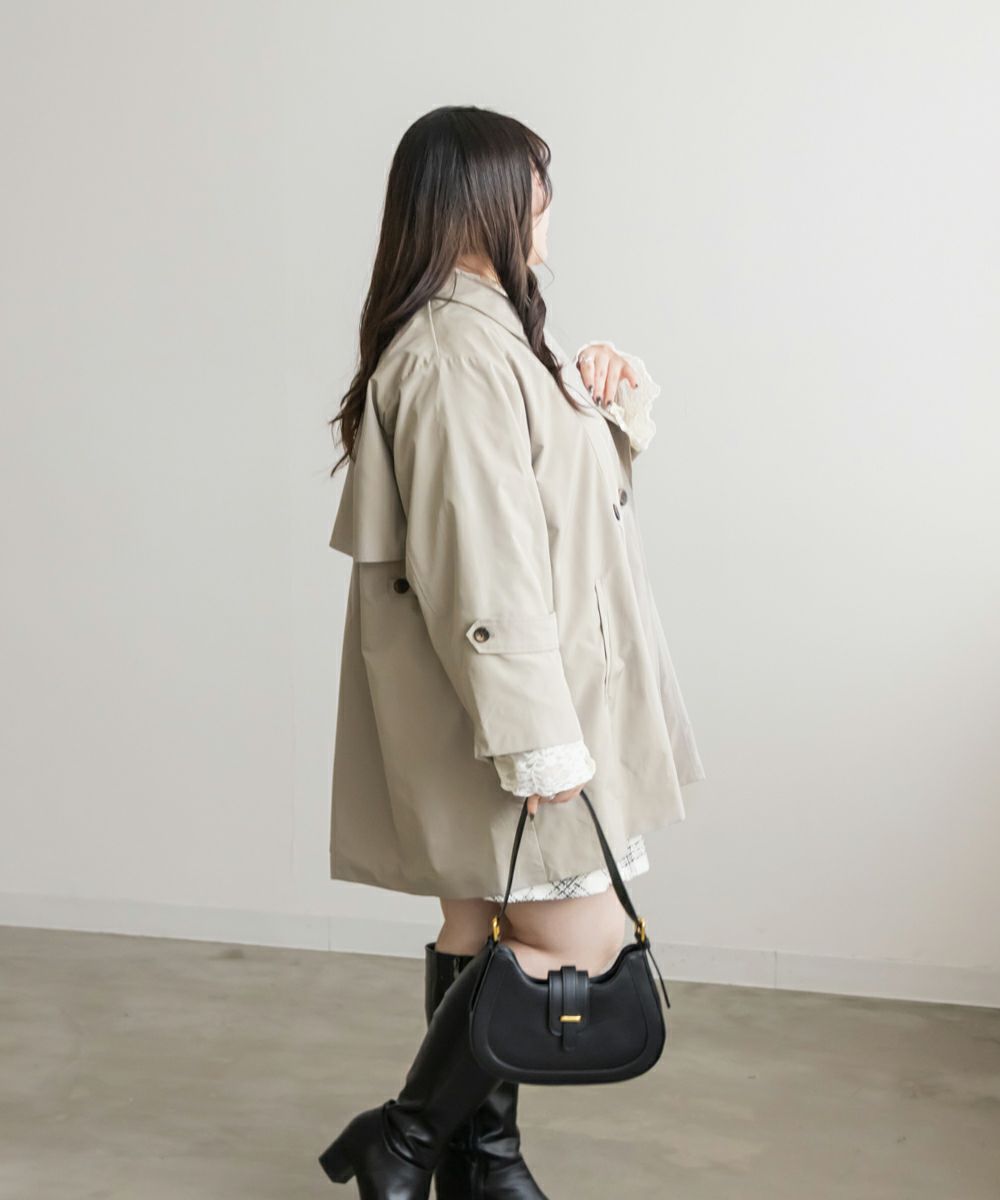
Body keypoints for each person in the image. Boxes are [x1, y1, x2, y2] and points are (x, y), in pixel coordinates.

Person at [319, 104, 707, 1198]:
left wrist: (607, 399)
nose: (547, 218)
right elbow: (482, 569)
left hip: (494, 702)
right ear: (480, 206)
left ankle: (479, 1163)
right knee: (574, 940)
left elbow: (560, 509)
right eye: (536, 198)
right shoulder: (456, 353)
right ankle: (404, 1142)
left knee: (477, 923)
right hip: (508, 709)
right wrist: (538, 743)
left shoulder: (490, 334)